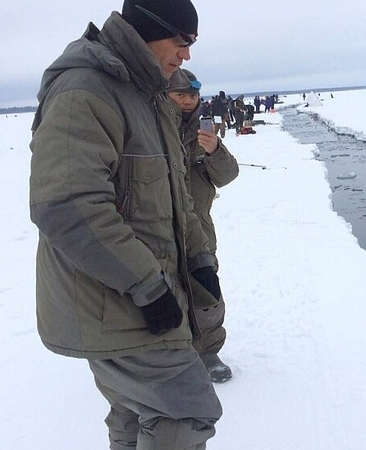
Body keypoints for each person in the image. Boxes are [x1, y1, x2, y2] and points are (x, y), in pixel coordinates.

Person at [28, 1, 223, 449]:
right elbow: (67, 205)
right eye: (183, 41)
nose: (186, 55)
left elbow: (174, 192)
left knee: (134, 409)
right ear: (150, 30)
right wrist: (148, 286)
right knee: (186, 408)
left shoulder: (147, 96)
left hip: (141, 297)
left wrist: (199, 257)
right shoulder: (87, 90)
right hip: (114, 300)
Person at [167, 68, 240, 383]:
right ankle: (166, 358)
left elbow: (227, 175)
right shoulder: (150, 129)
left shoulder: (203, 131)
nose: (187, 100)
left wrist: (214, 150)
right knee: (163, 293)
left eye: (193, 95)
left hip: (200, 229)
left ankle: (208, 354)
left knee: (206, 293)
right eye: (180, 94)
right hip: (158, 230)